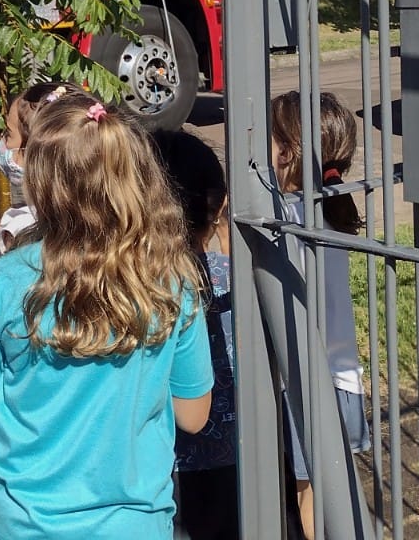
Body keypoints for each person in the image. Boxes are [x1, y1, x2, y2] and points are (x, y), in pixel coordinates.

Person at [0, 92, 213, 540]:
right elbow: (193, 416)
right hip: (135, 523)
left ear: (42, 184)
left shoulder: (10, 277)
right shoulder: (173, 282)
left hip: (26, 520)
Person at [270, 90, 367, 540]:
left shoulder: (285, 220)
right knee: (325, 496)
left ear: (287, 152)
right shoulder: (328, 209)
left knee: (309, 510)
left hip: (305, 384)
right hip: (341, 379)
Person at [158, 131, 236, 540]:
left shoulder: (137, 284)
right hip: (236, 454)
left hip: (158, 463)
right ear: (220, 202)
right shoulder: (243, 274)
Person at [0, 82, 76, 260]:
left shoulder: (22, 243)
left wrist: (1, 252)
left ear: (35, 154)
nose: (3, 142)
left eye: (9, 133)